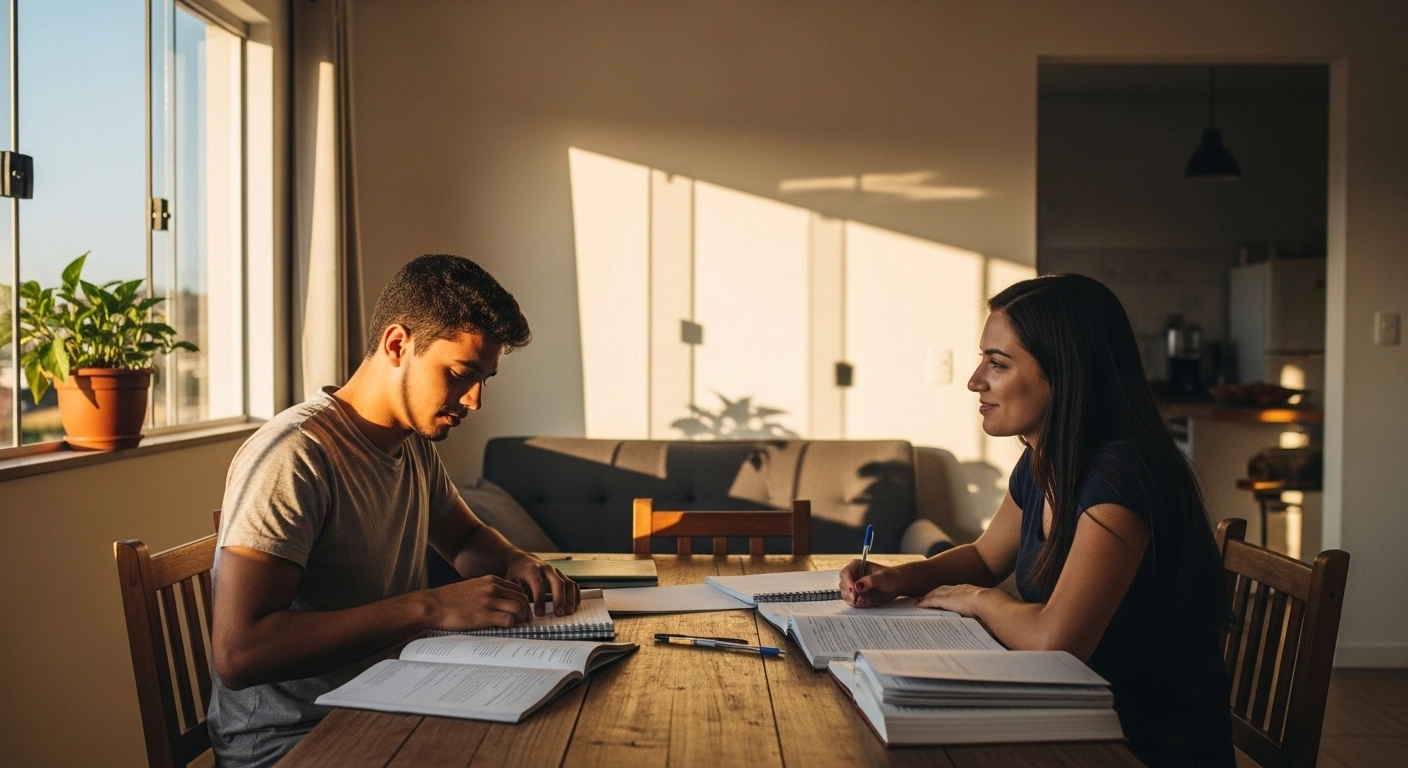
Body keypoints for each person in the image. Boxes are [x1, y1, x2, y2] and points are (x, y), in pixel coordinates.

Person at [841, 273, 1235, 768]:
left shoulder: (1124, 473)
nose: (974, 380)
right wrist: (896, 577)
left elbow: (1057, 640)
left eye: (997, 363)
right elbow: (986, 556)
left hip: (1140, 742)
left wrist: (978, 600)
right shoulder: (1044, 461)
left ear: (1066, 373)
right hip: (1077, 714)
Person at [208, 254, 580, 767]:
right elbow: (239, 653)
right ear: (398, 344)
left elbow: (468, 542)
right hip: (291, 743)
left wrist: (518, 561)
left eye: (484, 381)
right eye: (459, 373)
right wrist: (428, 608)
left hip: (390, 704)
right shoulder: (293, 455)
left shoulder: (412, 446)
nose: (474, 401)